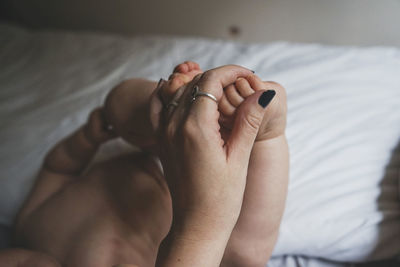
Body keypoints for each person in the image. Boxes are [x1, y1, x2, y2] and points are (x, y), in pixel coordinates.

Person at [0, 63, 288, 267]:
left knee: (118, 102)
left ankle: (171, 108)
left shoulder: (29, 229)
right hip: (184, 189)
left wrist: (86, 139)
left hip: (140, 140)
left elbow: (58, 169)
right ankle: (264, 133)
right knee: (245, 256)